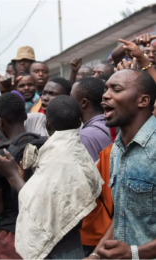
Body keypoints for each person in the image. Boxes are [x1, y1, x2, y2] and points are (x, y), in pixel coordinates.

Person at [0, 96, 103, 259]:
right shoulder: (75, 149)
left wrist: (13, 174)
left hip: (59, 251)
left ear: (48, 123)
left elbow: (38, 208)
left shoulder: (59, 156)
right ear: (79, 122)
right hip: (72, 246)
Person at [85, 69, 156, 260]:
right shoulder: (116, 150)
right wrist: (95, 255)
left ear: (143, 101)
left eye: (116, 89)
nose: (105, 95)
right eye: (106, 89)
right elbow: (123, 214)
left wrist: (135, 254)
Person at [0, 93, 46, 259]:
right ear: (25, 116)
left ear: (0, 122)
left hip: (13, 232)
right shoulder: (48, 145)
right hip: (46, 231)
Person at [70, 77, 113, 162]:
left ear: (83, 103)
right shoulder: (113, 127)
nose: (69, 102)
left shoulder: (84, 136)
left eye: (71, 98)